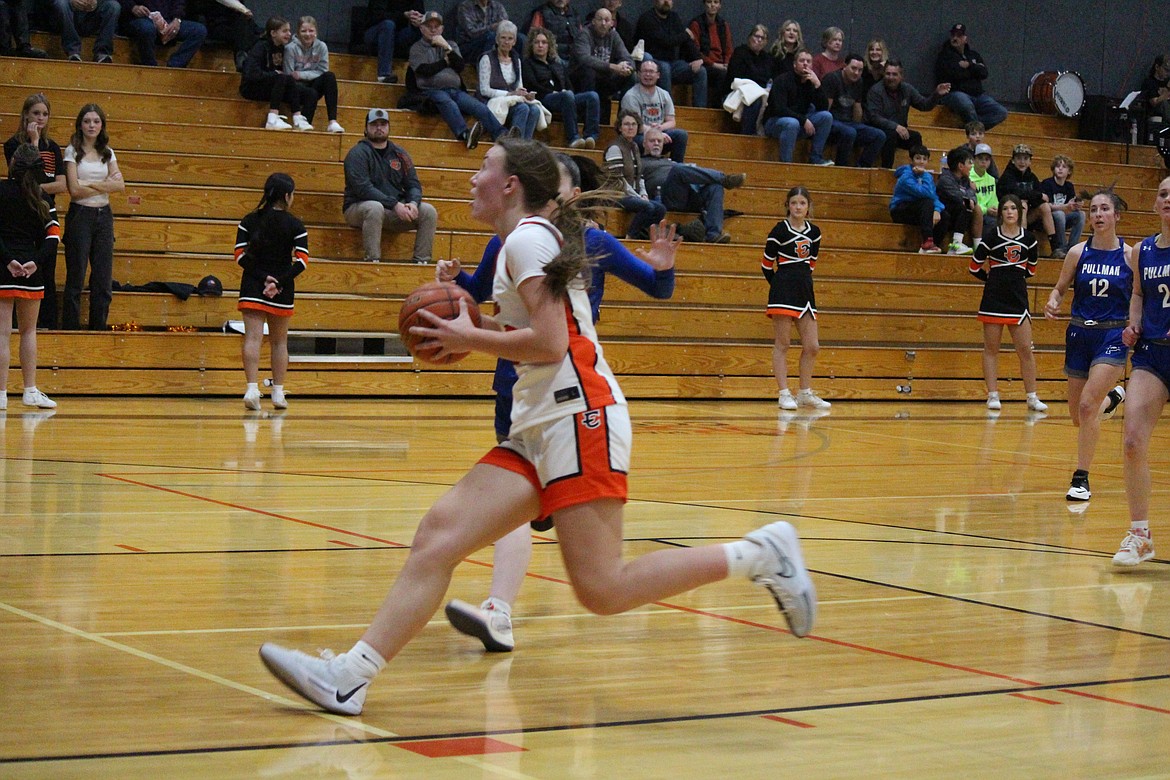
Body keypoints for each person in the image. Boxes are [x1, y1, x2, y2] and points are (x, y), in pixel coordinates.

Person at [257, 137, 817, 717]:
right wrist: (476, 315)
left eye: (484, 169)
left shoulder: (526, 238)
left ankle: (759, 554)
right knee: (439, 534)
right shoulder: (514, 243)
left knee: (602, 589)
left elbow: (551, 342)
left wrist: (468, 336)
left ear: (511, 186)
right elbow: (533, 327)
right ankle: (349, 677)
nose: (474, 178)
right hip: (542, 420)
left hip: (580, 415)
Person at [441, 153, 678, 652]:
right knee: (503, 515)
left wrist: (663, 267)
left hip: (569, 390)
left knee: (596, 579)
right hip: (518, 384)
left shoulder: (589, 240)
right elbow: (478, 296)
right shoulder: (506, 240)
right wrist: (452, 285)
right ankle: (498, 610)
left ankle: (497, 610)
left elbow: (656, 285)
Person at [1043, 190, 1131, 501]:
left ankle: (1081, 478)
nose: (1098, 214)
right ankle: (1113, 399)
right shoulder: (1077, 253)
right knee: (1079, 415)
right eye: (1093, 209)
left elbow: (1142, 296)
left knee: (1086, 405)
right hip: (1080, 333)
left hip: (1113, 334)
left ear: (1116, 215)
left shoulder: (1130, 255)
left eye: (1105, 208)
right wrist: (1052, 302)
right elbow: (1059, 289)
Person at [1115, 176, 1170, 567]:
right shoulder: (1144, 251)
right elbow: (1138, 293)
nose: (1169, 199)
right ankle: (1140, 534)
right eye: (1164, 194)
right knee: (1133, 441)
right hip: (1153, 354)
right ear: (1155, 204)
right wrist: (1133, 323)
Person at [969, 194, 1048, 413]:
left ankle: (1032, 397)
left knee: (1025, 350)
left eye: (1014, 208)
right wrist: (992, 280)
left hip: (1018, 299)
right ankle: (992, 395)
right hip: (993, 299)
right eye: (1006, 208)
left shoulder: (1030, 239)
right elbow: (974, 267)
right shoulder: (990, 237)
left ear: (1019, 212)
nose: (1010, 212)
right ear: (1001, 212)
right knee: (991, 349)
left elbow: (1031, 270)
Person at [235, 173, 306, 411]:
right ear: (287, 196)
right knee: (279, 342)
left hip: (253, 285)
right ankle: (277, 392)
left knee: (252, 338)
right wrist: (279, 283)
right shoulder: (295, 224)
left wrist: (263, 278)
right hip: (282, 289)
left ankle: (252, 389)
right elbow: (302, 261)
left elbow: (239, 256)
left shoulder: (249, 220)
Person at [0, 144, 60, 412]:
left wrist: (7, 260)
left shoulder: (0, 191)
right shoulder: (42, 197)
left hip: (3, 270)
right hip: (31, 272)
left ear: (12, 164)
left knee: (1, 335)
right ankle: (30, 391)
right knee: (28, 331)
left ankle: (0, 395)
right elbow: (53, 236)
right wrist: (35, 261)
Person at [765, 185, 831, 411]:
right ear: (788, 206)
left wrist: (800, 281)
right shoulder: (779, 230)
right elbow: (766, 265)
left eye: (802, 203)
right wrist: (779, 285)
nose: (798, 207)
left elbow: (811, 263)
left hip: (805, 290)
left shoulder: (815, 232)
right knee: (783, 343)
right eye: (794, 203)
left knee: (812, 346)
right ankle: (784, 393)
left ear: (808, 207)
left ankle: (804, 392)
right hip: (783, 290)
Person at [343, 108, 437, 264]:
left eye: (383, 124)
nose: (379, 128)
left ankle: (421, 262)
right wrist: (394, 205)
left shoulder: (400, 154)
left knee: (428, 211)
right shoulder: (357, 153)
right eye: (374, 124)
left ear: (388, 127)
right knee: (374, 208)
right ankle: (372, 260)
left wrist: (413, 203)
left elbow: (413, 184)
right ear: (365, 128)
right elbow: (363, 188)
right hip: (357, 208)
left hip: (392, 210)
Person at [4, 94, 66, 330]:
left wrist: (37, 189)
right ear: (26, 115)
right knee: (19, 263)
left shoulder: (53, 147)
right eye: (36, 113)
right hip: (23, 211)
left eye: (45, 114)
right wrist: (33, 140)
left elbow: (62, 185)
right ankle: (18, 322)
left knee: (46, 265)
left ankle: (46, 323)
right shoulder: (13, 144)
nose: (40, 118)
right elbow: (26, 176)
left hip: (44, 211)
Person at [62, 103, 122, 331]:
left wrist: (90, 184)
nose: (91, 125)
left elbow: (120, 185)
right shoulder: (72, 151)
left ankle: (98, 328)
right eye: (87, 121)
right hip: (81, 214)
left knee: (103, 278)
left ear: (102, 125)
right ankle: (70, 329)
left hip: (103, 215)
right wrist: (105, 185)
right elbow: (74, 190)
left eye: (96, 121)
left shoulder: (108, 152)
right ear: (80, 124)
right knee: (76, 276)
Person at [407, 10, 504, 149]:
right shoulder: (417, 48)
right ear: (422, 28)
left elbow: (460, 66)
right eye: (429, 26)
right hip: (430, 91)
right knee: (447, 103)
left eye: (437, 26)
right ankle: (464, 134)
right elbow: (424, 71)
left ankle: (502, 135)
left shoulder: (450, 45)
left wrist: (446, 47)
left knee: (480, 107)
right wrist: (446, 62)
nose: (433, 30)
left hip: (455, 90)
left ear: (442, 29)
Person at [641, 126, 743, 243]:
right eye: (652, 141)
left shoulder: (670, 161)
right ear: (644, 143)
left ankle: (714, 235)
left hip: (686, 194)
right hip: (666, 197)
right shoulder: (641, 162)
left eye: (659, 141)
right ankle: (723, 178)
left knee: (715, 187)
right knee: (678, 169)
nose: (656, 144)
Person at [523, 27, 600, 149]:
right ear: (531, 45)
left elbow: (568, 84)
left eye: (544, 42)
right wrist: (554, 92)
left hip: (564, 96)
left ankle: (591, 136)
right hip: (544, 98)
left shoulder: (556, 64)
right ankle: (573, 138)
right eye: (537, 42)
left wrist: (567, 91)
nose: (540, 45)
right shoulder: (527, 63)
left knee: (592, 96)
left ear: (549, 45)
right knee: (567, 96)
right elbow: (531, 84)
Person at [866, 58, 949, 168]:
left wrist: (936, 94)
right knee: (890, 135)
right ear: (883, 74)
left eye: (894, 74)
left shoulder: (907, 89)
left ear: (901, 76)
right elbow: (874, 117)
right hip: (880, 130)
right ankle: (886, 170)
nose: (891, 77)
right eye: (888, 74)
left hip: (900, 132)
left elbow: (924, 105)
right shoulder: (875, 90)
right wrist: (895, 126)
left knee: (915, 137)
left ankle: (917, 169)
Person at [239, 16, 313, 131]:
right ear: (273, 33)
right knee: (282, 77)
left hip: (275, 86)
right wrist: (274, 74)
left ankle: (300, 121)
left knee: (310, 93)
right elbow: (251, 73)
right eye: (284, 31)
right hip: (253, 87)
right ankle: (272, 119)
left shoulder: (284, 49)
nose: (289, 34)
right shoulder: (260, 47)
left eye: (289, 30)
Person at [763, 49, 833, 166]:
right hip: (775, 122)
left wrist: (817, 85)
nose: (805, 63)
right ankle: (786, 164)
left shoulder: (810, 82)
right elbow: (779, 109)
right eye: (802, 61)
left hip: (799, 122)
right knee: (792, 123)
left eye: (808, 61)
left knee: (826, 116)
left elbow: (823, 107)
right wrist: (803, 120)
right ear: (794, 64)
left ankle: (816, 158)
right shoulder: (782, 80)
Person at [933, 23, 1007, 130]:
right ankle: (975, 130)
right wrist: (974, 70)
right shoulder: (945, 56)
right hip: (955, 93)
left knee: (1001, 112)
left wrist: (969, 65)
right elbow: (953, 75)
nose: (955, 38)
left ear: (965, 39)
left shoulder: (974, 55)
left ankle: (971, 127)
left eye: (959, 35)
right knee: (965, 103)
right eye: (953, 35)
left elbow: (984, 73)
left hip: (978, 96)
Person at [604, 109, 665, 239]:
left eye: (633, 124)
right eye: (626, 124)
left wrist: (644, 194)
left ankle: (642, 234)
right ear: (620, 128)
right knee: (647, 207)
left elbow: (640, 175)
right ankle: (630, 236)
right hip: (617, 194)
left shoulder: (635, 147)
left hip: (633, 195)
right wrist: (637, 196)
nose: (630, 127)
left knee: (660, 209)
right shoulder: (615, 148)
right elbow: (617, 179)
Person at [478, 20, 543, 140]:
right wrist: (509, 94)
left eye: (510, 38)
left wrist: (525, 94)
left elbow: (519, 86)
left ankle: (525, 146)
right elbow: (484, 90)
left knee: (534, 110)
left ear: (514, 41)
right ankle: (514, 145)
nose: (506, 42)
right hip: (493, 101)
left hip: (512, 100)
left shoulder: (516, 60)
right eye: (503, 38)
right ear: (497, 40)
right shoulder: (487, 58)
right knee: (523, 108)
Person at [634, 0, 706, 107]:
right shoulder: (647, 19)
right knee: (664, 68)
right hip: (653, 62)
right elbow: (666, 41)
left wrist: (698, 58)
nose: (666, 1)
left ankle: (701, 113)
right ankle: (668, 109)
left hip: (673, 64)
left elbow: (686, 42)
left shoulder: (674, 17)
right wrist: (686, 34)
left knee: (700, 71)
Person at [569, 7, 633, 126]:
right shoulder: (584, 34)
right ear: (593, 21)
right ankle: (586, 122)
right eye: (600, 19)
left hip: (604, 77)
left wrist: (626, 68)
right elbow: (584, 59)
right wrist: (613, 67)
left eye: (607, 20)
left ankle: (624, 121)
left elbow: (627, 57)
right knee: (589, 71)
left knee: (631, 76)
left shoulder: (614, 35)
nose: (603, 23)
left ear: (612, 23)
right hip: (581, 77)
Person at [997, 143, 1062, 258]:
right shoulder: (1007, 176)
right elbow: (1016, 194)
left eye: (1025, 158)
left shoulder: (1032, 177)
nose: (1022, 162)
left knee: (1044, 206)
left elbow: (1043, 197)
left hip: (1028, 217)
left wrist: (1036, 196)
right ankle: (1022, 245)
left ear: (1030, 161)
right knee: (1022, 204)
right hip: (1007, 217)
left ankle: (1055, 247)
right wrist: (1036, 196)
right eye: (1019, 158)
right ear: (1013, 160)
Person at [822, 52, 884, 168]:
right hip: (832, 122)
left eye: (860, 70)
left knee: (879, 135)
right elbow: (825, 110)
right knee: (850, 132)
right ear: (845, 66)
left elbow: (857, 107)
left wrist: (859, 124)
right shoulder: (832, 78)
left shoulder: (859, 82)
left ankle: (861, 167)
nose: (856, 73)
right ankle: (842, 167)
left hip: (848, 123)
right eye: (853, 68)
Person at [284, 16, 345, 133]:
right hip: (296, 89)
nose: (307, 34)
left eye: (311, 31)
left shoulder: (322, 47)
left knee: (329, 76)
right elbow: (289, 76)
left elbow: (323, 70)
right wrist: (300, 77)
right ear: (298, 32)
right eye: (303, 31)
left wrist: (302, 75)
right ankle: (304, 123)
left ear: (316, 32)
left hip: (312, 83)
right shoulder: (290, 48)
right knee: (311, 93)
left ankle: (332, 122)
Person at [620, 58, 688, 162]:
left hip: (659, 134)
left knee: (681, 135)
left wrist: (661, 128)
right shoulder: (631, 96)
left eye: (651, 71)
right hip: (638, 136)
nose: (648, 74)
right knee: (640, 138)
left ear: (658, 75)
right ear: (638, 74)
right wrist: (657, 134)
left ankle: (676, 168)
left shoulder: (664, 94)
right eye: (645, 71)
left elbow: (671, 121)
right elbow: (634, 125)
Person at [889, 144, 944, 254]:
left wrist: (937, 209)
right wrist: (924, 176)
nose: (921, 162)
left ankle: (934, 244)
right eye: (918, 158)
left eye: (924, 159)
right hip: (900, 209)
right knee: (927, 203)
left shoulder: (926, 175)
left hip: (919, 209)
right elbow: (926, 193)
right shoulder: (905, 176)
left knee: (944, 215)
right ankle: (927, 243)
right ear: (911, 160)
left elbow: (934, 195)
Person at [119, 0, 207, 68]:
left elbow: (179, 3)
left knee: (199, 31)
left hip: (167, 20)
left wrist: (177, 19)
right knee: (147, 29)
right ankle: (150, 67)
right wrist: (133, 7)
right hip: (138, 18)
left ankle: (174, 67)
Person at [186, 0, 259, 72]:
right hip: (215, 25)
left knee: (248, 26)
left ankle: (244, 57)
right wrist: (242, 9)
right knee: (244, 29)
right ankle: (243, 59)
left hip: (234, 25)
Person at [725, 24, 771, 135]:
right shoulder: (740, 52)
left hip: (760, 92)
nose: (759, 40)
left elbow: (767, 78)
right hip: (736, 92)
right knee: (755, 101)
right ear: (750, 37)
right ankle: (748, 136)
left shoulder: (767, 58)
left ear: (766, 42)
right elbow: (735, 77)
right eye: (756, 36)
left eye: (762, 38)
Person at [362, 0, 422, 83]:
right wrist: (404, 15)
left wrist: (418, 20)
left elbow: (420, 12)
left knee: (423, 27)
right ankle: (383, 75)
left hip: (398, 34)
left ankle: (421, 76)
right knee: (388, 25)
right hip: (375, 32)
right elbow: (378, 16)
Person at [935, 145, 979, 255]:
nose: (971, 166)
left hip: (956, 215)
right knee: (965, 205)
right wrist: (969, 196)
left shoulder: (965, 180)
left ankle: (957, 244)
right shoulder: (945, 179)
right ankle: (955, 244)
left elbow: (973, 196)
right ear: (960, 166)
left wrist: (970, 197)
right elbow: (958, 196)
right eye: (969, 163)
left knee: (969, 206)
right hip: (943, 215)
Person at [686, 0, 732, 105]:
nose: (712, 5)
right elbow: (696, 51)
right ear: (704, 4)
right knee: (721, 75)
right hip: (706, 64)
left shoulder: (723, 25)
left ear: (720, 5)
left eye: (716, 2)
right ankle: (714, 109)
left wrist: (727, 63)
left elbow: (729, 49)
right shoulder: (696, 24)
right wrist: (715, 65)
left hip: (722, 65)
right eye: (709, 2)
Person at [1040, 155, 1084, 255]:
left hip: (1063, 217)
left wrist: (1077, 204)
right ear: (1053, 169)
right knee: (1059, 214)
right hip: (1049, 219)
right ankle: (1060, 248)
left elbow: (1070, 206)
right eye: (1057, 166)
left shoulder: (1069, 186)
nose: (1060, 168)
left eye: (1064, 167)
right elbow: (1047, 206)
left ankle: (1072, 248)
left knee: (1081, 214)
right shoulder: (1047, 183)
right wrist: (1065, 207)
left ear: (1069, 171)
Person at [50, 0, 119, 63]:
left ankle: (102, 53)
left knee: (113, 6)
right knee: (61, 4)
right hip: (68, 11)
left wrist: (97, 2)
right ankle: (73, 51)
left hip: (93, 15)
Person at [456, 0, 510, 66]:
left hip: (495, 41)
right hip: (470, 45)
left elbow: (506, 26)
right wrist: (492, 27)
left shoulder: (497, 6)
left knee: (519, 38)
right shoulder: (465, 6)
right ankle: (485, 68)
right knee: (490, 36)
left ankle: (519, 71)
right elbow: (471, 33)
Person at [970, 142, 998, 234]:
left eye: (987, 159)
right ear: (974, 160)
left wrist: (996, 209)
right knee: (991, 222)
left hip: (989, 213)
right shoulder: (968, 177)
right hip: (973, 213)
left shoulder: (991, 179)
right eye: (980, 158)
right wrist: (986, 210)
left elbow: (993, 200)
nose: (984, 162)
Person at [1140, 54, 1170, 125]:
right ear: (1157, 67)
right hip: (1155, 116)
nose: (1168, 73)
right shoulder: (1149, 82)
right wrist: (1168, 89)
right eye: (1166, 70)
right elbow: (1155, 103)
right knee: (1164, 103)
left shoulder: (1167, 81)